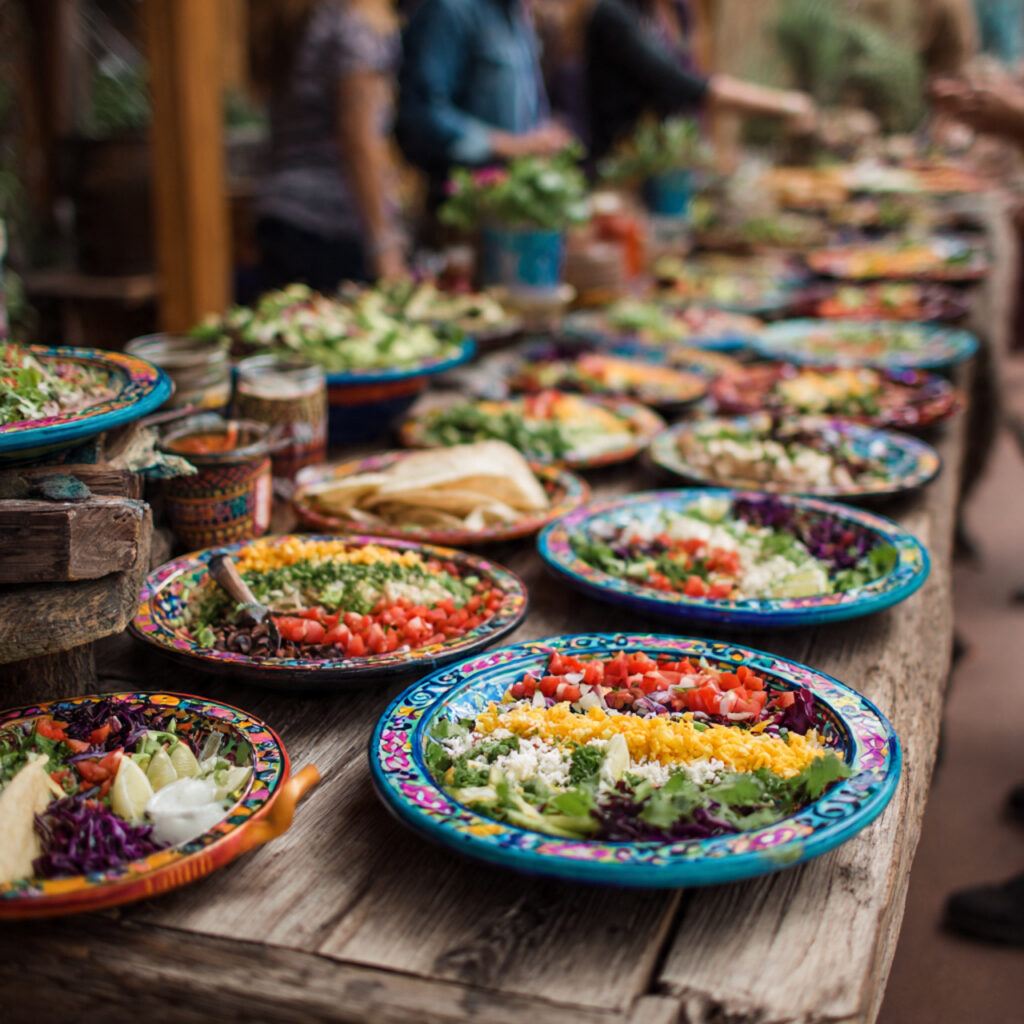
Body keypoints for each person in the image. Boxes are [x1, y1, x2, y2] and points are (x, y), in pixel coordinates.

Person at [249, 0, 406, 290]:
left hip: (282, 214)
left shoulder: (311, 17)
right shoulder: (354, 28)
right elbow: (358, 139)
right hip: (329, 224)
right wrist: (383, 243)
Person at [558, 0, 816, 161]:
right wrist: (783, 104)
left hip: (662, 166)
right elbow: (682, 85)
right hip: (615, 172)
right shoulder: (612, 13)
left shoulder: (669, 11)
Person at [395, 0, 575, 190]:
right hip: (465, 196)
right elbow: (422, 113)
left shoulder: (516, 13)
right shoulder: (449, 10)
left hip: (514, 192)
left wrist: (544, 137)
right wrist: (510, 145)